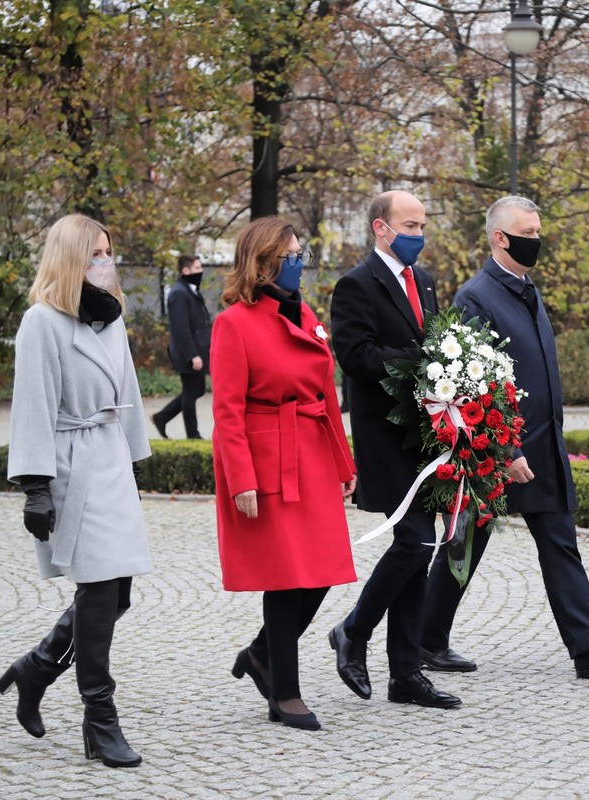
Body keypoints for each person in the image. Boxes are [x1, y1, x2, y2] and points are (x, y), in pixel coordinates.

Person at [419, 196, 589, 680]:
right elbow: (467, 385)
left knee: (561, 543)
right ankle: (426, 639)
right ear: (500, 237)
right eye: (529, 232)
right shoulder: (474, 297)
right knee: (464, 544)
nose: (537, 240)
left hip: (544, 446)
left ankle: (588, 650)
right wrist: (506, 450)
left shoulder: (527, 289)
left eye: (540, 232)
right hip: (494, 453)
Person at [0, 213, 152, 767]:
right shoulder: (42, 321)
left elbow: (128, 391)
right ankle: (100, 719)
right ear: (71, 259)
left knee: (119, 593)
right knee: (97, 592)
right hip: (71, 467)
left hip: (110, 456)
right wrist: (35, 487)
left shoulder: (109, 318)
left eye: (109, 252)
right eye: (95, 254)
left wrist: (137, 461)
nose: (105, 263)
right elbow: (32, 404)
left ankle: (36, 668)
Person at [211, 217, 358, 731]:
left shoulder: (307, 314)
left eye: (301, 255)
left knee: (322, 570)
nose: (298, 264)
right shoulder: (233, 323)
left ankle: (260, 653)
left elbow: (326, 396)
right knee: (285, 576)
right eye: (290, 256)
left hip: (313, 454)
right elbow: (227, 411)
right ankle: (285, 692)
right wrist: (241, 479)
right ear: (264, 261)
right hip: (269, 460)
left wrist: (344, 462)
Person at [328, 190, 461, 709]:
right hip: (385, 437)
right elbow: (356, 355)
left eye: (423, 225)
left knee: (421, 549)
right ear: (381, 228)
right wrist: (420, 366)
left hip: (423, 438)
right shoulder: (356, 284)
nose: (418, 235)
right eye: (409, 225)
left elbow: (434, 343)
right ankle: (353, 631)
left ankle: (405, 673)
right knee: (411, 544)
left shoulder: (423, 282)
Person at [151, 254, 211, 439]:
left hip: (195, 351)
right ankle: (192, 434)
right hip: (188, 353)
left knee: (196, 390)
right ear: (185, 270)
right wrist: (192, 355)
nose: (200, 272)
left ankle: (162, 417)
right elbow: (180, 328)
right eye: (197, 269)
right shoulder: (179, 292)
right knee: (191, 391)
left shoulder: (189, 290)